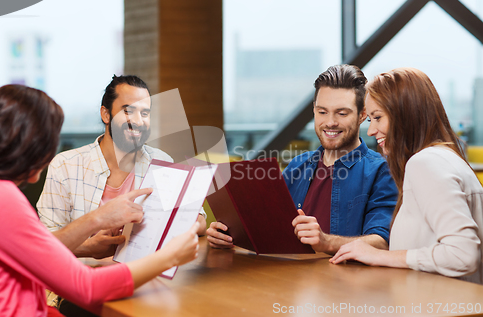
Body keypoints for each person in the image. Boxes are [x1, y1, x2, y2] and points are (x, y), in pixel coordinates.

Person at [0, 85, 200, 317]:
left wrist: (96, 220)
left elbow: (39, 250)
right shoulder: (0, 199)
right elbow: (86, 287)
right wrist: (169, 257)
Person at [207, 65, 398, 254]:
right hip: (288, 279)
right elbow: (270, 230)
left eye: (341, 113)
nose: (330, 122)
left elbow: (383, 242)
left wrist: (327, 242)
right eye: (322, 112)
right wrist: (230, 235)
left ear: (362, 115)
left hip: (343, 282)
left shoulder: (382, 171)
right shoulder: (297, 166)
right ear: (314, 111)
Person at [330, 67, 483, 284]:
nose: (372, 130)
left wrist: (379, 255)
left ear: (404, 114)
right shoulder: (445, 158)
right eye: (369, 120)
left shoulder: (425, 163)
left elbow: (462, 255)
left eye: (378, 117)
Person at [37, 75, 207, 259]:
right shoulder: (65, 165)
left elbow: (199, 220)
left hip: (145, 274)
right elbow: (44, 242)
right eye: (128, 111)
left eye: (144, 113)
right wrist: (88, 248)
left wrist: (192, 225)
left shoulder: (161, 161)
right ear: (106, 114)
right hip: (82, 277)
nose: (138, 121)